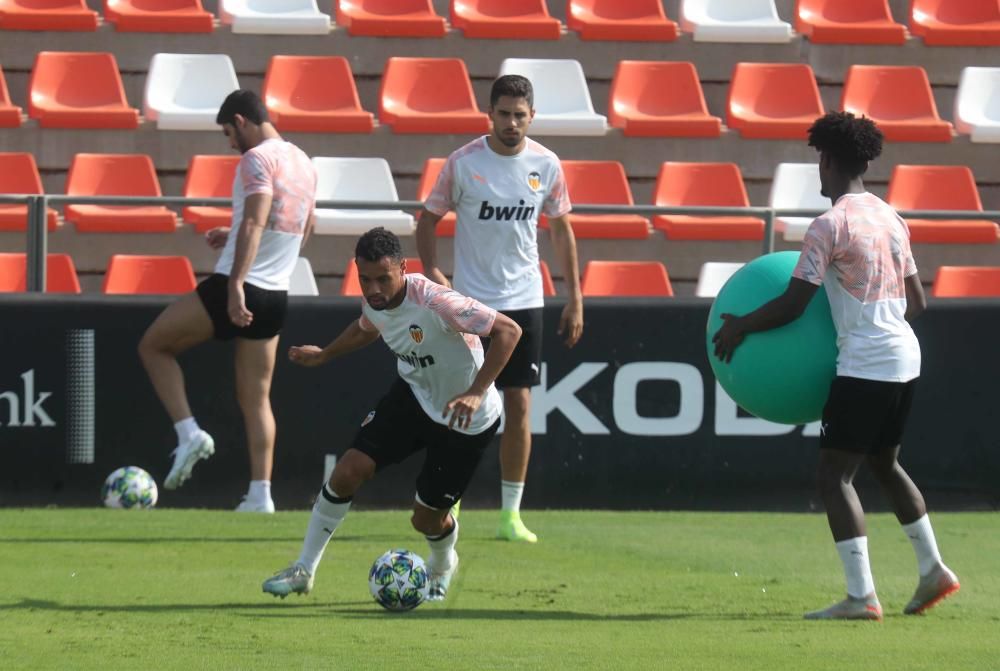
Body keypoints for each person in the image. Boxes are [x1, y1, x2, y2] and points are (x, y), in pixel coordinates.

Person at [713, 111, 960, 621]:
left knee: (833, 477)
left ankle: (861, 596)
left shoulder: (829, 225)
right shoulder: (891, 217)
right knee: (883, 464)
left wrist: (739, 326)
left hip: (866, 363)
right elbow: (918, 302)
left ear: (825, 161)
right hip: (904, 355)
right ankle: (933, 568)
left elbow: (793, 304)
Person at [261, 227, 522, 601]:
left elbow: (508, 332)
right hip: (414, 396)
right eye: (365, 279)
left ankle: (444, 563)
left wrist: (476, 392)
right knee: (348, 471)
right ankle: (304, 568)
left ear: (403, 267)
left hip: (465, 420)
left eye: (383, 278)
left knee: (425, 519)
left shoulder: (436, 301)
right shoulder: (375, 300)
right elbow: (366, 328)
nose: (374, 288)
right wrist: (325, 355)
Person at [416, 74, 583, 543]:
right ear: (490, 113)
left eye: (520, 114)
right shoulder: (464, 163)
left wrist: (574, 297)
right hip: (473, 302)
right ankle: (451, 497)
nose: (512, 122)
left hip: (526, 299)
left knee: (519, 403)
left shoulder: (546, 164)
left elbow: (562, 229)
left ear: (532, 116)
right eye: (504, 113)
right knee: (465, 402)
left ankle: (511, 514)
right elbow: (427, 218)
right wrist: (432, 270)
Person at [138, 89, 317, 513]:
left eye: (228, 133)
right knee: (256, 399)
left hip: (240, 284)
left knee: (154, 346)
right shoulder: (304, 162)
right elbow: (301, 226)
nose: (230, 143)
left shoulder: (257, 159)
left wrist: (236, 281)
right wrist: (232, 234)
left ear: (241, 120)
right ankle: (260, 495)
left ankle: (189, 433)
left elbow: (257, 220)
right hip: (276, 293)